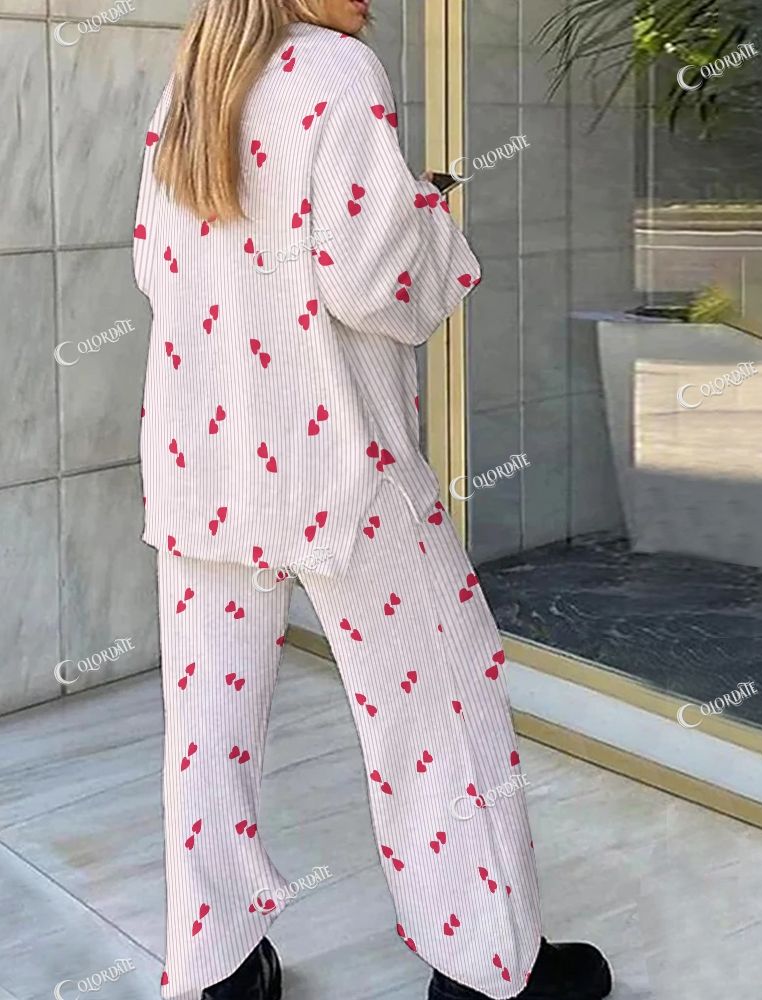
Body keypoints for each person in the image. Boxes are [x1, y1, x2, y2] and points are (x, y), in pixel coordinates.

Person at [132, 1, 613, 998]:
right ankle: (488, 967)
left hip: (201, 458)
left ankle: (217, 967)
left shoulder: (193, 82)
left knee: (208, 725)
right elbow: (373, 284)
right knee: (441, 697)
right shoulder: (338, 72)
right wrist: (431, 220)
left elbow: (154, 264)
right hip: (337, 461)